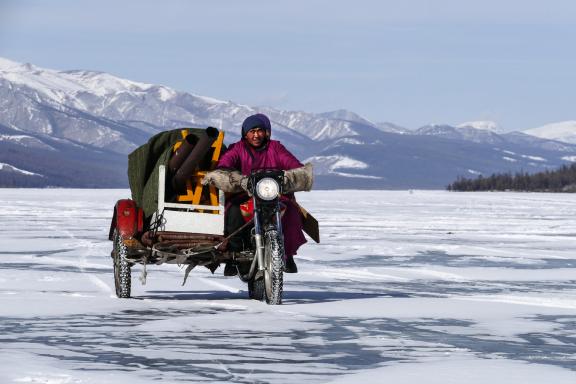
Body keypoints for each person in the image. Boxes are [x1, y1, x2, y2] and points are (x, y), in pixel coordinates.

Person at [216, 113, 307, 273]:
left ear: (267, 132)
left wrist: (297, 173)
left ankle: (287, 254)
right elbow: (224, 164)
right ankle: (235, 256)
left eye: (260, 130)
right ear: (245, 134)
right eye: (252, 131)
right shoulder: (238, 148)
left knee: (291, 212)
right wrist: (235, 177)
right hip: (246, 194)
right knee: (234, 213)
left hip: (274, 194)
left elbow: (292, 163)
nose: (256, 135)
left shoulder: (275, 148)